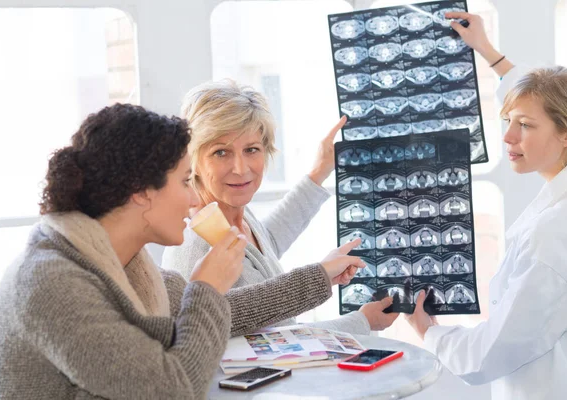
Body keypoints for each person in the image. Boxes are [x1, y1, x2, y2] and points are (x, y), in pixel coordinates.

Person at [0, 104, 368, 399]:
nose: (194, 197)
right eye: (185, 181)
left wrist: (319, 277)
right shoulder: (53, 282)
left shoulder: (121, 261)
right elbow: (172, 390)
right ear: (142, 192)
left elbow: (227, 314)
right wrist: (207, 288)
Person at [405, 11, 567, 399]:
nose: (508, 137)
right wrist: (486, 49)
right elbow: (549, 96)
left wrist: (428, 331)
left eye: (525, 126)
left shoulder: (554, 234)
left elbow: (492, 352)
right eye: (507, 122)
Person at [162, 80, 398, 334]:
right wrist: (362, 321)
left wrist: (319, 171)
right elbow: (274, 344)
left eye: (251, 149)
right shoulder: (194, 247)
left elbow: (264, 250)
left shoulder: (235, 214)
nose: (241, 169)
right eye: (221, 152)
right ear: (193, 159)